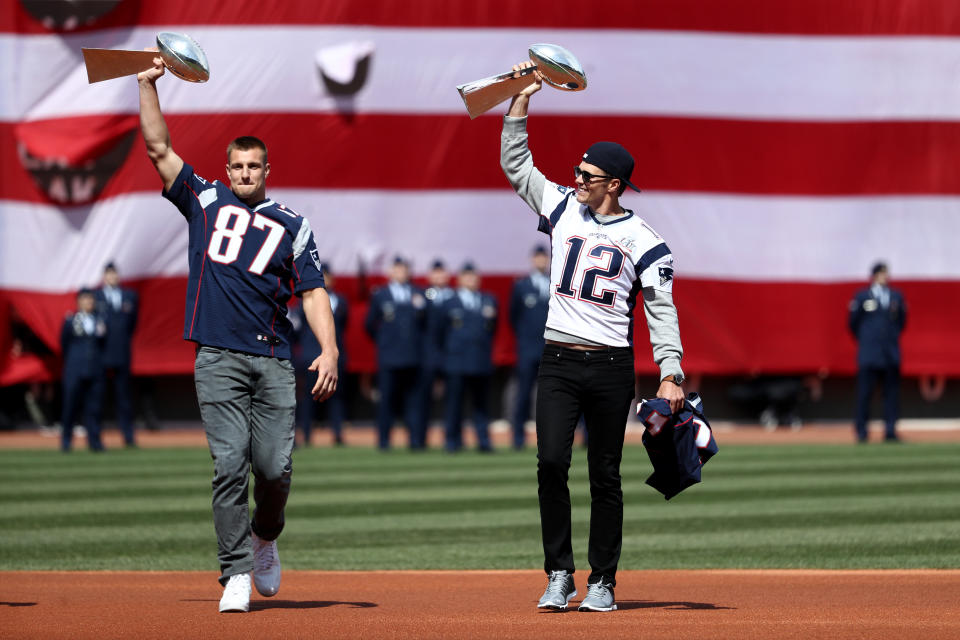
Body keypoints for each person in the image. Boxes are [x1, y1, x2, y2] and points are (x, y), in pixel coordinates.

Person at [137, 55, 339, 613]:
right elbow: (158, 149)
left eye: (255, 166)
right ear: (228, 170)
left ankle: (265, 538)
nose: (246, 173)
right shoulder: (203, 200)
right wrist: (147, 86)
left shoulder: (293, 224)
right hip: (217, 358)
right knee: (229, 464)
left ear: (267, 169)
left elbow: (314, 291)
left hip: (274, 359)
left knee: (274, 469)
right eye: (238, 166)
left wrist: (330, 349)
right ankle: (235, 572)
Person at [501, 61, 685, 612]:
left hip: (610, 366)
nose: (575, 179)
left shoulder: (646, 240)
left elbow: (660, 309)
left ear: (614, 184)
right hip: (557, 358)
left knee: (605, 473)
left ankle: (602, 580)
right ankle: (559, 572)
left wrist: (671, 370)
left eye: (586, 175)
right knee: (551, 463)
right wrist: (519, 100)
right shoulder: (561, 207)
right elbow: (517, 166)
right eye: (576, 172)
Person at [365, 256, 426, 449]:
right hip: (389, 357)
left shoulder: (418, 293)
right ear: (390, 272)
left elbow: (427, 325)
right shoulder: (381, 295)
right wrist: (384, 342)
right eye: (397, 269)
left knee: (413, 401)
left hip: (413, 356)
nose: (401, 273)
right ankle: (384, 441)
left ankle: (415, 440)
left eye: (404, 269)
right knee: (387, 400)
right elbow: (369, 325)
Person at [439, 262, 497, 452]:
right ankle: (452, 441)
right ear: (460, 279)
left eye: (474, 276)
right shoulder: (449, 302)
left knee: (481, 405)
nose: (471, 280)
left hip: (480, 360)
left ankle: (483, 441)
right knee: (454, 404)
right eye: (467, 276)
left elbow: (492, 330)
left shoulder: (488, 300)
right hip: (456, 361)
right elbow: (438, 333)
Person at [848, 262, 907, 443]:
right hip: (869, 354)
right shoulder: (863, 297)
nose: (885, 276)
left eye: (886, 273)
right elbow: (853, 324)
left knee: (891, 395)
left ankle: (890, 430)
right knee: (865, 394)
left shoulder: (896, 297)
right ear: (874, 275)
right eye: (882, 273)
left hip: (890, 354)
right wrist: (867, 341)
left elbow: (902, 322)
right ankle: (862, 430)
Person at [292, 263, 349, 446]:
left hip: (333, 357)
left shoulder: (340, 301)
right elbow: (297, 329)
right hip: (310, 356)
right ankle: (306, 433)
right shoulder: (304, 302)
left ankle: (338, 433)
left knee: (336, 397)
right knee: (308, 397)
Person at [509, 245, 551, 449]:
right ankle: (517, 438)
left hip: (550, 349)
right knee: (523, 395)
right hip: (527, 349)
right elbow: (513, 317)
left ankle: (551, 439)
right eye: (538, 257)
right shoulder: (522, 286)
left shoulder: (556, 283)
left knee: (552, 397)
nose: (542, 261)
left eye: (545, 257)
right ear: (532, 260)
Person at [95, 262, 139, 447]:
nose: (112, 277)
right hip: (102, 353)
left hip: (121, 352)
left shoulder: (129, 296)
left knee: (124, 398)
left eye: (114, 274)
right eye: (109, 274)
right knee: (97, 397)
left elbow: (132, 324)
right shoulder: (96, 297)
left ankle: (128, 437)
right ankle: (95, 438)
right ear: (104, 276)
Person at [60, 288, 107, 452]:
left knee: (94, 408)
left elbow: (103, 344)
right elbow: (64, 343)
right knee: (70, 406)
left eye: (90, 299)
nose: (88, 302)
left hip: (94, 370)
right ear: (79, 301)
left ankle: (95, 442)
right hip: (75, 369)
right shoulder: (71, 320)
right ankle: (66, 441)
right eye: (85, 299)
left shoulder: (99, 320)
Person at [421, 259, 455, 439]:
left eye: (442, 272)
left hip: (450, 355)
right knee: (423, 399)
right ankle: (419, 439)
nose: (439, 276)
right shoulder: (423, 296)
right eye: (435, 272)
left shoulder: (454, 297)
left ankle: (450, 437)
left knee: (451, 399)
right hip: (428, 356)